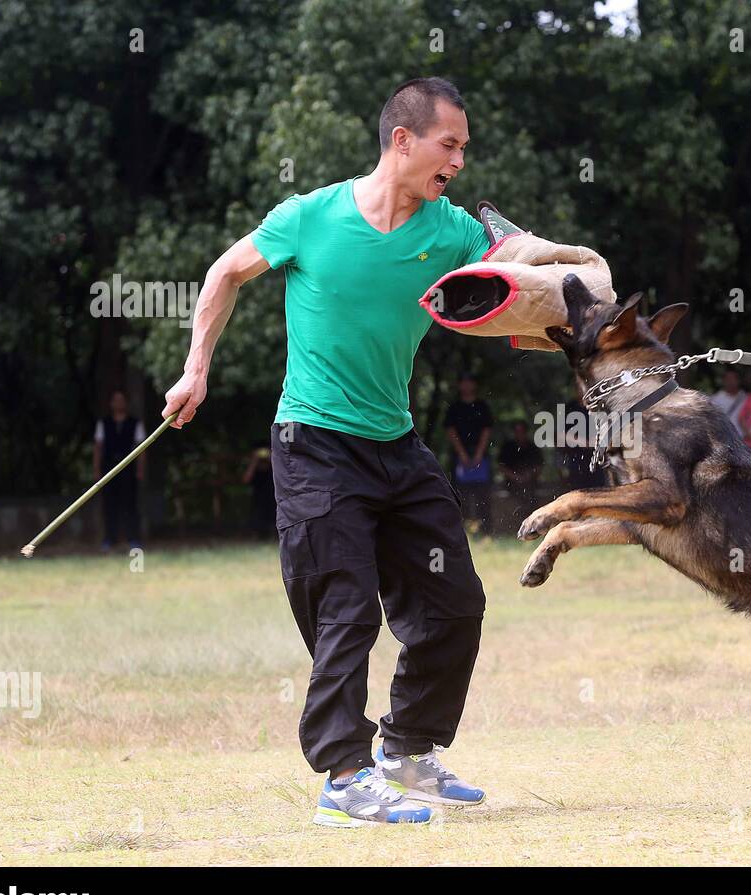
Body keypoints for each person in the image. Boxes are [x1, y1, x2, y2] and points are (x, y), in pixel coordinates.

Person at [160, 76, 488, 827]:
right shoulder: (309, 217)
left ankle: (407, 750)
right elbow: (224, 273)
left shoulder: (452, 230)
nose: (460, 162)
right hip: (314, 443)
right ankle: (343, 777)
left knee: (454, 600)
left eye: (464, 149)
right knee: (345, 607)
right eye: (450, 145)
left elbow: (516, 269)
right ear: (403, 141)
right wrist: (196, 369)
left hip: (396, 446)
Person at [93, 390, 146, 552]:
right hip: (108, 468)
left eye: (121, 400)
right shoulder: (104, 423)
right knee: (109, 504)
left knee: (130, 503)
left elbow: (141, 447)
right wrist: (96, 469)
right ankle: (109, 539)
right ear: (111, 404)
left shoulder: (135, 423)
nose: (118, 403)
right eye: (115, 400)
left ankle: (133, 539)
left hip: (128, 469)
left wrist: (140, 469)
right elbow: (98, 447)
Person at [444, 373, 494, 536]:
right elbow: (450, 431)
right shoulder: (454, 408)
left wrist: (479, 453)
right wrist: (462, 454)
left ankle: (486, 532)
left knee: (483, 495)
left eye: (469, 382)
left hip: (481, 456)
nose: (466, 386)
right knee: (460, 495)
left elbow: (487, 430)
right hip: (459, 456)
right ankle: (461, 531)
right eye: (463, 382)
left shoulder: (482, 406)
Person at [498, 420, 543, 514]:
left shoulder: (533, 447)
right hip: (511, 484)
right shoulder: (507, 447)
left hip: (531, 484)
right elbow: (501, 467)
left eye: (521, 431)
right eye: (517, 431)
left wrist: (528, 475)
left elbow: (539, 466)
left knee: (530, 495)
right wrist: (515, 477)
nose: (519, 434)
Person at [241, 442, 276, 539]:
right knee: (257, 513)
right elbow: (246, 479)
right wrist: (254, 461)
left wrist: (271, 459)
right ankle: (257, 535)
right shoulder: (253, 467)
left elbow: (282, 476)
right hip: (258, 500)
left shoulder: (273, 466)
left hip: (273, 499)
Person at [710, 368, 747, 436]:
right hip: (724, 437)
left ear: (738, 381)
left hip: (743, 437)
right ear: (723, 381)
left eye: (733, 378)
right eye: (728, 379)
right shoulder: (716, 398)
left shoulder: (745, 397)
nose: (730, 381)